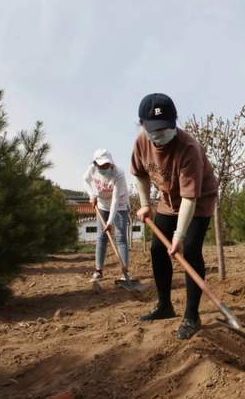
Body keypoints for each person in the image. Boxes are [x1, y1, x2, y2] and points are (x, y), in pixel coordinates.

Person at [131, 93, 218, 340]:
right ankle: (164, 306)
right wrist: (145, 204)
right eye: (154, 130)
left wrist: (179, 236)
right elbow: (140, 173)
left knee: (189, 250)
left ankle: (192, 316)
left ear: (174, 121)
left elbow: (190, 198)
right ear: (143, 125)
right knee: (158, 248)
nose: (159, 134)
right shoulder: (141, 142)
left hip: (198, 200)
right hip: (168, 198)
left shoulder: (188, 148)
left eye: (164, 128)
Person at [83, 148, 132, 282]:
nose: (104, 167)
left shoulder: (118, 174)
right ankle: (98, 271)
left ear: (111, 163)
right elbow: (85, 180)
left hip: (120, 205)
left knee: (121, 237)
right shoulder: (92, 169)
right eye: (101, 165)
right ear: (95, 163)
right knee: (101, 237)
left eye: (106, 165)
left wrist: (110, 222)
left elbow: (115, 200)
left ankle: (125, 273)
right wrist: (92, 195)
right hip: (102, 204)